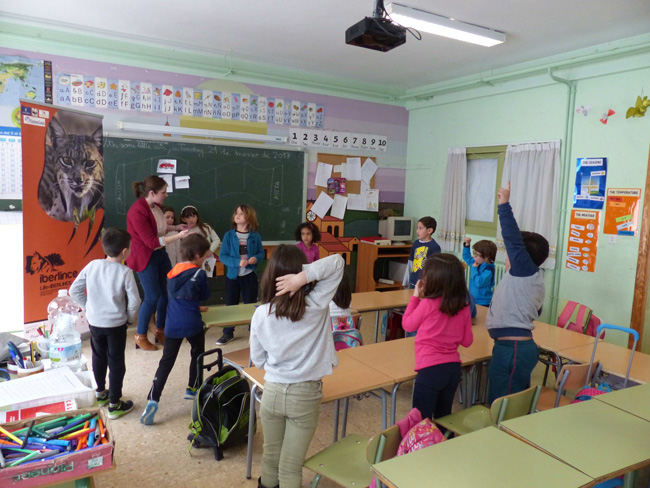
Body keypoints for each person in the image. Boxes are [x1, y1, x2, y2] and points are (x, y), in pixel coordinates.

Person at [250, 248, 344, 488]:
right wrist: (302, 278)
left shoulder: (261, 314)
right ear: (303, 272)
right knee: (290, 466)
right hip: (305, 395)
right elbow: (336, 262)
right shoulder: (316, 303)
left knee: (271, 458)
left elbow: (258, 360)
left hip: (271, 392)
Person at [486, 182, 549, 404]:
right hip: (515, 347)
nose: (508, 254)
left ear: (521, 256)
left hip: (512, 349)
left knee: (502, 404)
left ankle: (499, 436)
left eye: (512, 252)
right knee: (514, 401)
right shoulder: (533, 278)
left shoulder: (524, 270)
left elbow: (512, 238)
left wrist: (504, 205)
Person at [140, 234, 212, 425]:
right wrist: (196, 303)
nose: (205, 258)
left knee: (166, 362)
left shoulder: (171, 273)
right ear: (197, 254)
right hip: (192, 323)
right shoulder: (199, 273)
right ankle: (193, 388)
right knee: (197, 353)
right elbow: (204, 294)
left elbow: (177, 297)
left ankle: (153, 398)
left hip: (172, 324)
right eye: (204, 255)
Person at [70, 228, 141, 419]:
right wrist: (130, 318)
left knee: (98, 356)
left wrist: (88, 308)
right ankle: (115, 404)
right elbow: (135, 301)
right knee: (116, 361)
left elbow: (74, 290)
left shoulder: (92, 265)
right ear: (125, 252)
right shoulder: (125, 271)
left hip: (95, 323)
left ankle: (100, 393)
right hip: (116, 324)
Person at [402, 254, 473, 420]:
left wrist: (415, 297)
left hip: (429, 370)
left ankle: (423, 447)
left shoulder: (428, 304)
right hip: (452, 370)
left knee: (420, 421)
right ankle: (444, 444)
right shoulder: (463, 306)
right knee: (444, 418)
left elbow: (407, 325)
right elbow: (467, 341)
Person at [126, 175, 188, 351]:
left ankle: (160, 329)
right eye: (164, 192)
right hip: (145, 257)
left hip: (159, 254)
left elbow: (158, 228)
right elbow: (151, 241)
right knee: (152, 296)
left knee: (167, 292)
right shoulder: (137, 211)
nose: (166, 195)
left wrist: (176, 228)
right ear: (152, 193)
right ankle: (140, 335)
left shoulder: (155, 207)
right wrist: (178, 236)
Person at [217, 204, 265, 345]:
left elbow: (261, 253)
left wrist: (256, 258)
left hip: (249, 275)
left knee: (251, 304)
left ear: (249, 218)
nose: (236, 215)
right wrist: (238, 262)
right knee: (231, 304)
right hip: (233, 276)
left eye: (241, 213)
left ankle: (254, 332)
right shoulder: (229, 235)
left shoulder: (255, 236)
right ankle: (228, 333)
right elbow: (223, 256)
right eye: (236, 212)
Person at [403, 216, 441, 289]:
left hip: (425, 285)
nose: (417, 231)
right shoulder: (416, 243)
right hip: (413, 281)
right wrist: (406, 280)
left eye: (420, 228)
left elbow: (435, 269)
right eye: (417, 228)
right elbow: (411, 262)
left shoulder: (435, 247)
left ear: (429, 231)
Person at [462, 238, 497, 306]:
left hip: (483, 302)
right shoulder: (477, 261)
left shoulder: (488, 270)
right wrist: (467, 245)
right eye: (474, 253)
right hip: (473, 299)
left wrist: (474, 268)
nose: (474, 256)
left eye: (476, 254)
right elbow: (466, 257)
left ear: (486, 257)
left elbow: (478, 282)